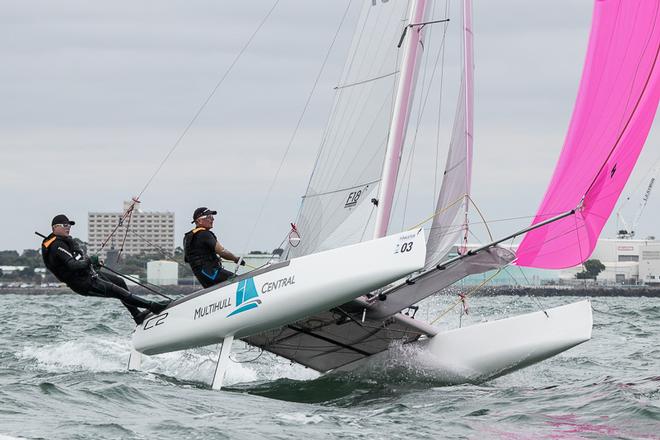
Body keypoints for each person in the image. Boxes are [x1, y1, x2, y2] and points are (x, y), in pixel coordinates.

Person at [41, 214, 169, 325]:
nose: (68, 227)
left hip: (89, 275)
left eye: (69, 225)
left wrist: (93, 265)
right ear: (54, 228)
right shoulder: (56, 245)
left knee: (120, 282)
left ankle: (137, 315)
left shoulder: (64, 242)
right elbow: (73, 265)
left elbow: (80, 262)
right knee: (121, 293)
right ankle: (153, 306)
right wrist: (90, 261)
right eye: (64, 225)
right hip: (84, 283)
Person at [183, 207, 245, 288]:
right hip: (212, 273)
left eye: (212, 217)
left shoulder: (188, 237)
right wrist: (236, 259)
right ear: (199, 221)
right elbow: (222, 251)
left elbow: (190, 258)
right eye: (209, 217)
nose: (212, 219)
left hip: (202, 277)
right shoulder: (204, 234)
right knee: (240, 282)